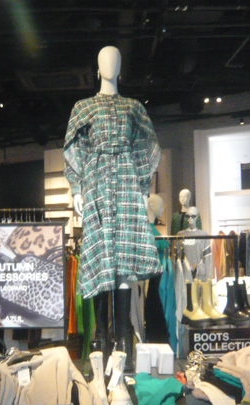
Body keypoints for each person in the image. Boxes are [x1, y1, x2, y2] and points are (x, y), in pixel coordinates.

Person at [64, 45, 161, 371]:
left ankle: (123, 342)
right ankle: (100, 340)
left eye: (116, 60)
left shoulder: (134, 107)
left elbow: (148, 145)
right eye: (105, 60)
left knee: (124, 265)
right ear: (97, 67)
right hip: (96, 182)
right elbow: (74, 148)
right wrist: (78, 188)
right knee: (102, 258)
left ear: (121, 67)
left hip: (128, 183)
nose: (110, 65)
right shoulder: (84, 107)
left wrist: (143, 187)